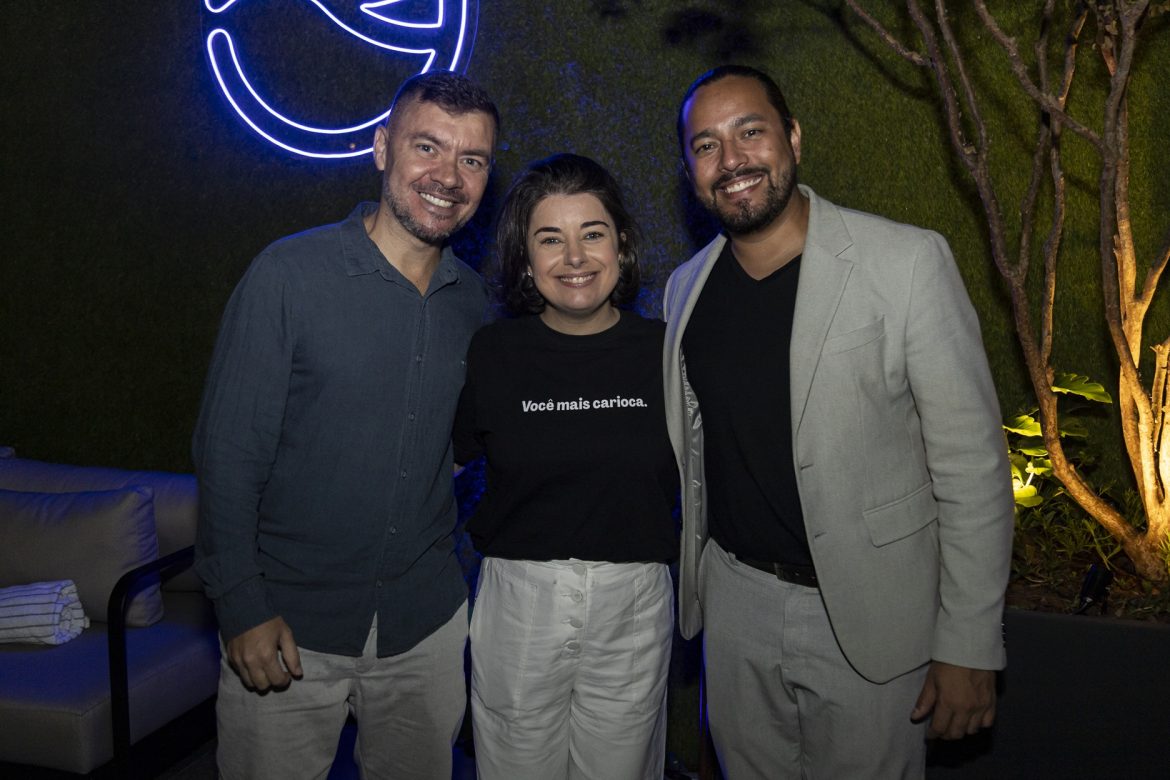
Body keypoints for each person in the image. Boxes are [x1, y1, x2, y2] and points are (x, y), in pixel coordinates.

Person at [663, 65, 1015, 778]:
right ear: (691, 171)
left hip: (872, 614)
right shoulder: (683, 290)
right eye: (706, 146)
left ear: (792, 138)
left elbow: (973, 468)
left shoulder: (906, 262)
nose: (731, 161)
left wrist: (970, 642)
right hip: (734, 610)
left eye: (750, 132)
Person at [192, 70, 498, 780]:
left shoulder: (473, 301)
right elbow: (228, 453)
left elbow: (456, 446)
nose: (448, 176)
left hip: (425, 628)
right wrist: (240, 607)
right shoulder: (288, 276)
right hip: (288, 628)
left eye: (472, 159)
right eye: (428, 146)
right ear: (382, 148)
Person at [453, 153, 678, 780]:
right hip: (519, 604)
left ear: (621, 243)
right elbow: (440, 467)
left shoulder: (665, 352)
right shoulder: (494, 352)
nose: (574, 258)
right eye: (550, 239)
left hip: (633, 605)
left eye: (593, 234)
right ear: (526, 258)